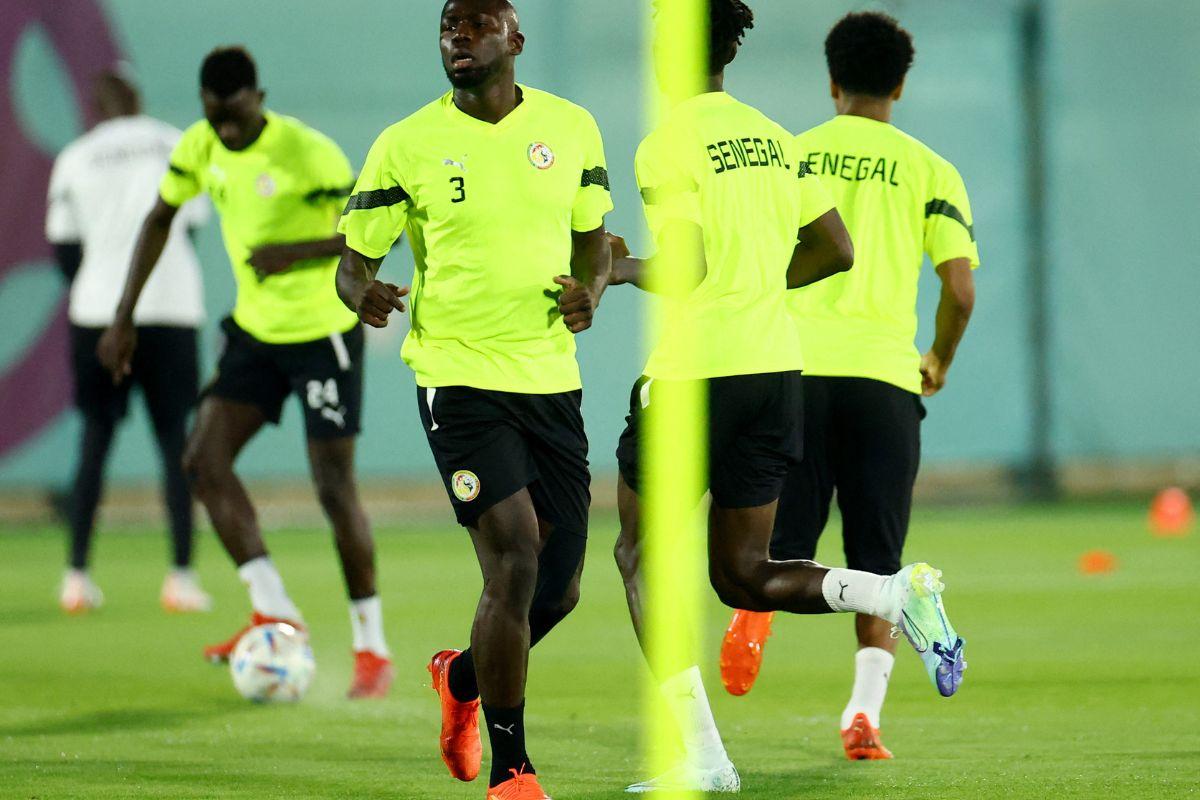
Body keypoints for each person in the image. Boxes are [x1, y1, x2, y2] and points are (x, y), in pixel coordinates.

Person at [608, 1, 966, 792]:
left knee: (637, 554)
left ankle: (704, 759)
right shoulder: (771, 136)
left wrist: (620, 267)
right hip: (774, 373)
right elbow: (835, 248)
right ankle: (891, 589)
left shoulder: (666, 140)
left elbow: (689, 265)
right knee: (743, 574)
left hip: (695, 375)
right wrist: (758, 290)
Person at [336, 1, 612, 796]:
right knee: (515, 559)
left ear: (515, 40)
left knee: (558, 587)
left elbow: (594, 239)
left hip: (550, 379)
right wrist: (362, 293)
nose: (457, 39)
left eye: (476, 26)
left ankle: (459, 682)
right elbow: (351, 262)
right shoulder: (406, 144)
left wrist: (588, 292)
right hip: (457, 378)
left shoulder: (573, 128)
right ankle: (513, 769)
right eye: (448, 29)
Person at [718, 11, 980, 761]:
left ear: (831, 81)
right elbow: (959, 290)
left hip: (793, 374)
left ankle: (753, 618)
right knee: (881, 566)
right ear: (900, 83)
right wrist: (938, 358)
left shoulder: (791, 156)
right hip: (882, 381)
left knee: (772, 554)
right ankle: (863, 717)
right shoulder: (932, 170)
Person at [97, 47, 393, 699]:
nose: (225, 131)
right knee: (202, 460)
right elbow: (159, 219)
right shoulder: (200, 145)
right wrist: (123, 319)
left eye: (234, 117)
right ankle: (274, 609)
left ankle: (371, 647)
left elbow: (372, 233)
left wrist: (296, 252)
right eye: (214, 117)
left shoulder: (307, 154)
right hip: (256, 336)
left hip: (322, 336)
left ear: (258, 97)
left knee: (333, 487)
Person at [46, 68, 211, 615]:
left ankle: (76, 576)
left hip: (97, 313)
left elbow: (65, 252)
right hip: (172, 309)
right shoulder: (178, 143)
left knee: (94, 440)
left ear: (96, 105)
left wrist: (105, 293)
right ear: (138, 98)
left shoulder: (75, 157)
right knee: (175, 443)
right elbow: (187, 226)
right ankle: (181, 577)